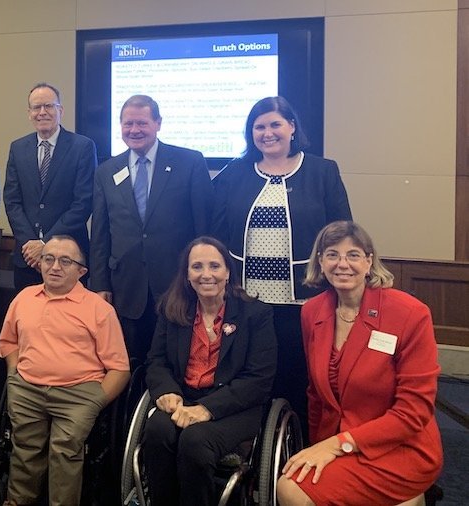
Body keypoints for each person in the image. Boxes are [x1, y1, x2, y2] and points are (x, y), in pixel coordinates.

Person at [277, 221, 443, 506]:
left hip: (400, 447)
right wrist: (319, 449)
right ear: (320, 262)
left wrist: (338, 445)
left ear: (369, 262)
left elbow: (413, 412)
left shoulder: (410, 314)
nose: (342, 264)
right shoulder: (312, 312)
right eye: (332, 254)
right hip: (340, 443)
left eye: (353, 255)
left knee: (290, 489)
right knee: (296, 479)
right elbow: (316, 396)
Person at [213, 96, 352, 431]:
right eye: (259, 126)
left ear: (292, 127)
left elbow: (343, 233)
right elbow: (214, 234)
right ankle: (255, 451)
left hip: (304, 301)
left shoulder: (322, 170)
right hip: (248, 302)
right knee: (255, 378)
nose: (267, 132)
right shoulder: (235, 173)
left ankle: (299, 449)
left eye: (275, 124)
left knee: (300, 378)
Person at [142, 236, 276, 506]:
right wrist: (166, 391)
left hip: (234, 408)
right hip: (183, 397)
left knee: (195, 440)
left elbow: (258, 380)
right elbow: (156, 361)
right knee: (157, 429)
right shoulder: (173, 309)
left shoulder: (254, 314)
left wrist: (207, 409)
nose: (206, 274)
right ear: (187, 274)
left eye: (214, 266)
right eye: (197, 267)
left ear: (228, 271)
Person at [0, 235, 130, 506]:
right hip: (26, 388)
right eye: (49, 258)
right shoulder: (24, 299)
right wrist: (14, 374)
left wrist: (95, 401)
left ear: (81, 271)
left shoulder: (99, 309)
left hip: (79, 393)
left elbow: (119, 368)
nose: (55, 266)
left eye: (65, 261)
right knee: (24, 450)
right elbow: (8, 342)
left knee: (64, 452)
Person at [90, 94, 215, 365]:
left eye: (142, 123)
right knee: (130, 360)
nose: (134, 130)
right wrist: (99, 284)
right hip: (126, 286)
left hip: (176, 283)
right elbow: (100, 234)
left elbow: (204, 228)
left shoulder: (189, 163)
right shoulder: (106, 170)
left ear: (158, 123)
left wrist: (204, 276)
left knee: (177, 359)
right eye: (128, 124)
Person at [3, 82, 96, 290]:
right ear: (29, 113)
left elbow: (83, 202)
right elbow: (12, 201)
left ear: (60, 110)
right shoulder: (18, 148)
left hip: (68, 259)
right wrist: (31, 245)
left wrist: (46, 245)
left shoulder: (82, 147)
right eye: (36, 107)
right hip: (27, 260)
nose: (42, 112)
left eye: (48, 106)